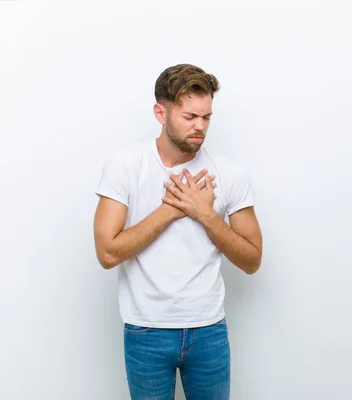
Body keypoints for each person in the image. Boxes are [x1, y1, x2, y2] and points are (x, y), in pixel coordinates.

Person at [93, 63, 263, 400]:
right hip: (146, 330)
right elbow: (107, 253)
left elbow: (252, 260)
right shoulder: (125, 166)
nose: (200, 127)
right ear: (161, 112)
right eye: (189, 117)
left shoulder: (229, 173)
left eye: (207, 117)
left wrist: (206, 215)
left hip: (209, 331)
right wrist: (171, 209)